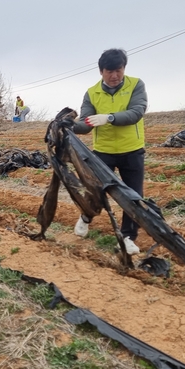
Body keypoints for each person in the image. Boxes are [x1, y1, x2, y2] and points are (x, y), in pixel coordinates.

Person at [72, 48, 147, 255]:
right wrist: (69, 125)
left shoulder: (136, 85)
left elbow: (136, 112)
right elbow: (86, 124)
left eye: (119, 70)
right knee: (95, 190)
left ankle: (128, 238)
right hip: (103, 152)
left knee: (133, 196)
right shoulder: (92, 93)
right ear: (101, 71)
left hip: (132, 150)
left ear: (124, 68)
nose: (114, 76)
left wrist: (109, 118)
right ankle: (86, 217)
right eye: (109, 71)